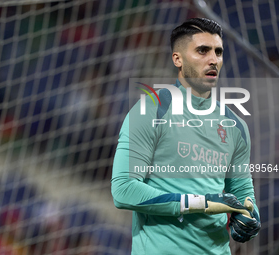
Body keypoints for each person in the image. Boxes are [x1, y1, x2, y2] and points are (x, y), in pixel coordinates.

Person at [111, 18, 261, 255]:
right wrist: (200, 203)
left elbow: (242, 192)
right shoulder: (151, 111)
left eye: (218, 52)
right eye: (203, 50)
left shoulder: (236, 126)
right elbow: (123, 190)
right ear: (177, 59)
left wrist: (249, 217)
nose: (213, 59)